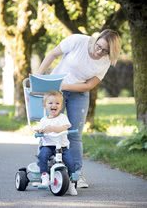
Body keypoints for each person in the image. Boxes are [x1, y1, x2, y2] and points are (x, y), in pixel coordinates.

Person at [36, 29, 121, 188]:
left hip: (79, 94)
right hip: (56, 92)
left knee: (74, 134)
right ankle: (45, 171)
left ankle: (76, 173)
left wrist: (66, 86)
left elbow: (89, 85)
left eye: (105, 51)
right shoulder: (77, 41)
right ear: (97, 39)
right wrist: (38, 76)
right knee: (48, 129)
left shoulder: (105, 61)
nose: (99, 52)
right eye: (99, 46)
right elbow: (53, 54)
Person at [35, 91, 77, 195]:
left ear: (61, 106)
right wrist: (40, 131)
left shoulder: (63, 117)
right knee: (42, 156)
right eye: (50, 103)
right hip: (48, 146)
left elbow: (65, 127)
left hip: (62, 147)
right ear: (45, 105)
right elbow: (40, 129)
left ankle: (71, 183)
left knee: (71, 163)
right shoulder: (43, 120)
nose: (54, 105)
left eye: (57, 103)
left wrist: (52, 128)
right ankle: (44, 176)